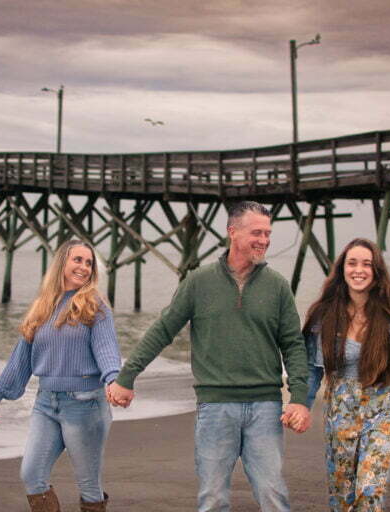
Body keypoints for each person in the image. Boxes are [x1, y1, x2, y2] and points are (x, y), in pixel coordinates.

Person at [108, 201, 310, 512]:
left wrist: (299, 398)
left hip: (266, 407)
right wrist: (126, 376)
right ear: (233, 232)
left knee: (273, 495)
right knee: (213, 499)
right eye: (257, 232)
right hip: (215, 407)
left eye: (268, 233)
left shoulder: (278, 287)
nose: (264, 240)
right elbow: (163, 330)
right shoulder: (199, 282)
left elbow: (294, 345)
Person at [0, 239, 121, 512]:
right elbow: (20, 359)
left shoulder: (95, 306)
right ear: (62, 263)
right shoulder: (43, 305)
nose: (83, 267)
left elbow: (107, 348)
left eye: (88, 262)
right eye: (77, 260)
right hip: (46, 403)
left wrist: (113, 379)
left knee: (89, 485)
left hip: (85, 404)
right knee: (31, 474)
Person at [302, 238, 390, 511]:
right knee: (342, 496)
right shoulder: (324, 315)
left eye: (367, 264)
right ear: (342, 269)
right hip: (340, 410)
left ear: (376, 271)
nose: (359, 270)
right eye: (352, 263)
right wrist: (302, 406)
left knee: (369, 490)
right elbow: (311, 369)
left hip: (385, 409)